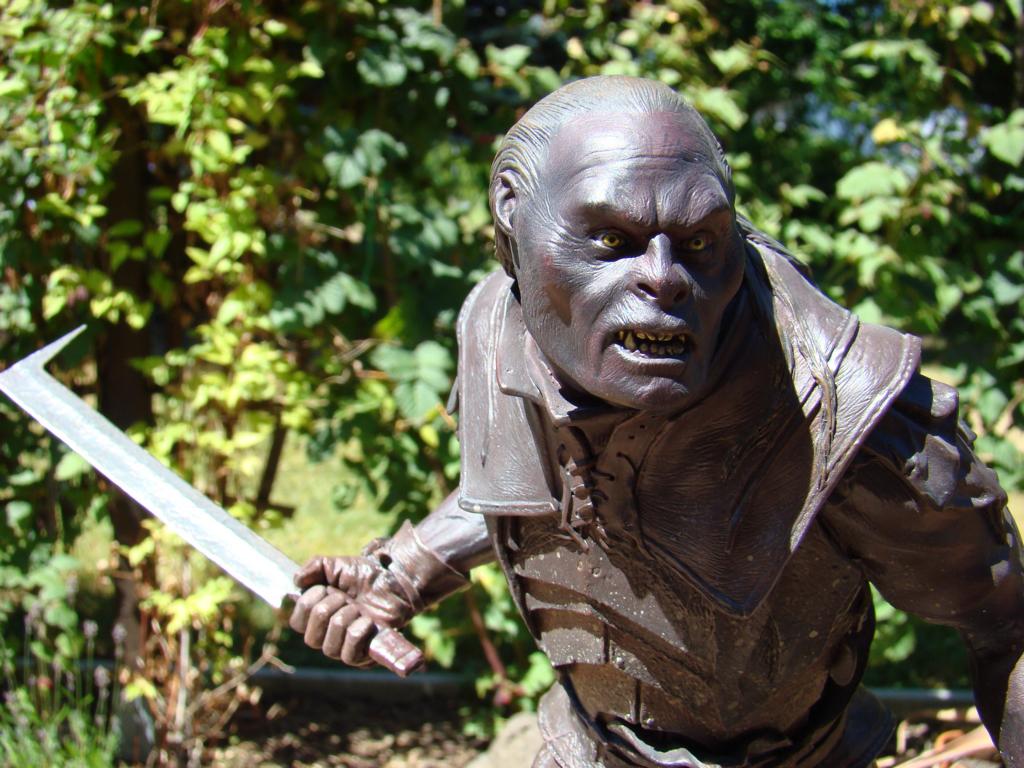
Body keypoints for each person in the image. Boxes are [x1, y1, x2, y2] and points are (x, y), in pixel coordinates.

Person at [289, 76, 1024, 768]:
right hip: (587, 745)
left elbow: (1008, 626)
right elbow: (546, 484)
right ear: (513, 219)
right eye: (611, 241)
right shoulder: (500, 326)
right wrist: (398, 573)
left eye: (700, 242)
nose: (665, 277)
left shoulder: (849, 418)